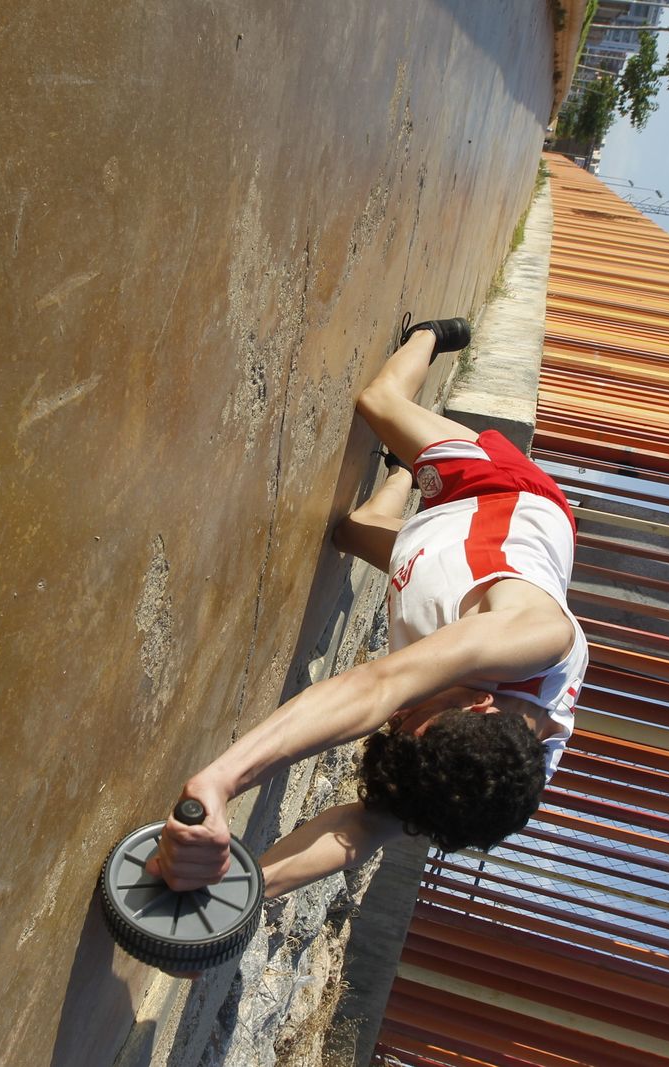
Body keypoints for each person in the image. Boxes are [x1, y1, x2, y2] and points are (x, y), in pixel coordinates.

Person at [146, 316, 588, 899]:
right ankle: (431, 335)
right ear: (480, 704)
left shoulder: (477, 785)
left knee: (351, 532)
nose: (395, 720)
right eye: (411, 720)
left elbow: (367, 826)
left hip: (429, 564)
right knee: (377, 401)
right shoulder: (534, 636)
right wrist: (220, 783)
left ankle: (404, 475)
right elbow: (377, 687)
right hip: (495, 497)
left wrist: (244, 899)